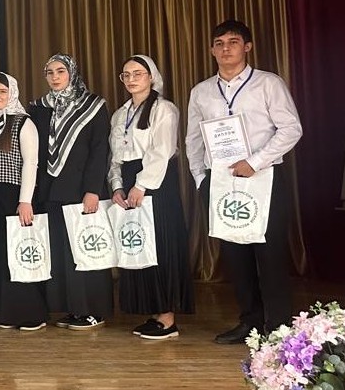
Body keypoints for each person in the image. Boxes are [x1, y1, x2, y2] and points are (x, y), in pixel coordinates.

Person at [186, 20, 302, 343]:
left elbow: (291, 129)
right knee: (236, 258)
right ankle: (250, 323)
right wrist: (201, 179)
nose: (226, 49)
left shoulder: (268, 83)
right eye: (219, 43)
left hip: (264, 178)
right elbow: (193, 140)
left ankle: (278, 329)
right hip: (221, 183)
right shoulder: (201, 91)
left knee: (270, 256)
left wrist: (254, 162)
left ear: (247, 47)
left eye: (233, 42)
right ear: (212, 50)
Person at [109, 55, 194, 340]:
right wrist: (117, 185)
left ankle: (168, 319)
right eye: (126, 74)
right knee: (138, 244)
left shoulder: (164, 109)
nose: (131, 79)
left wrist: (141, 185)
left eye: (138, 73)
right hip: (129, 181)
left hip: (156, 183)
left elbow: (161, 151)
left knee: (160, 245)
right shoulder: (120, 114)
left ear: (151, 77)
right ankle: (153, 311)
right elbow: (115, 157)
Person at [28, 54, 113, 330]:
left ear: (72, 73)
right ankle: (73, 309)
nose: (55, 77)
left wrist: (93, 190)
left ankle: (93, 311)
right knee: (62, 253)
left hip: (81, 191)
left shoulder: (93, 106)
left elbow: (100, 150)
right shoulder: (39, 108)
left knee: (86, 250)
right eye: (50, 72)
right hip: (51, 191)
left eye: (61, 71)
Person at [0, 73, 48, 331]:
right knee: (2, 253)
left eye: (3, 91)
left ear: (12, 93)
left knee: (20, 252)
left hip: (14, 195)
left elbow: (31, 163)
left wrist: (25, 201)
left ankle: (31, 314)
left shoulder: (24, 122)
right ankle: (7, 311)